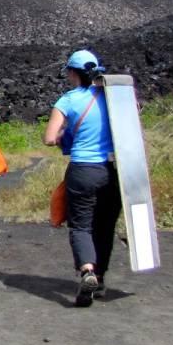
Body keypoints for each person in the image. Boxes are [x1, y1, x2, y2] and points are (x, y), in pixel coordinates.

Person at [43, 50, 121, 307]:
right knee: (105, 226)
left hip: (82, 171)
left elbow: (49, 138)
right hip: (112, 171)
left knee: (81, 225)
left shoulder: (67, 100)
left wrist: (64, 134)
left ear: (72, 72)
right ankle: (99, 278)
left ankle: (87, 271)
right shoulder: (112, 97)